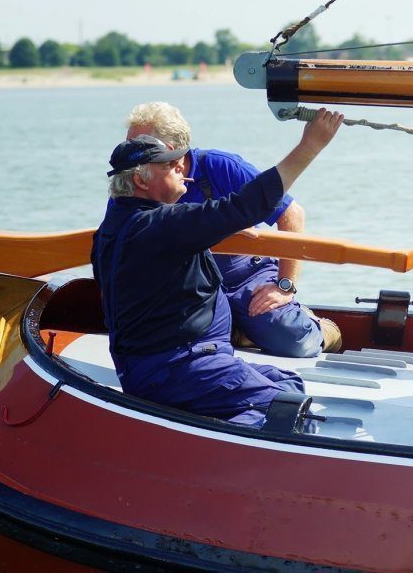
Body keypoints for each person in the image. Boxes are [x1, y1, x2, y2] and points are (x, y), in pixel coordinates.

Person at [91, 109, 343, 426]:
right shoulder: (164, 225)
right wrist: (310, 146)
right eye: (168, 165)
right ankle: (220, 453)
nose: (179, 167)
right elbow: (245, 205)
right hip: (181, 366)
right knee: (291, 412)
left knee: (288, 383)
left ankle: (216, 429)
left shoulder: (116, 226)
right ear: (141, 180)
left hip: (160, 366)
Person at [123, 102, 339, 358]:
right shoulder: (134, 179)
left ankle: (324, 330)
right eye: (128, 144)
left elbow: (292, 214)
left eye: (136, 145)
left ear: (171, 152)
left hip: (245, 277)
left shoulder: (220, 166)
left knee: (291, 339)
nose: (128, 153)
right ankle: (238, 332)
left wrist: (284, 286)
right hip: (188, 285)